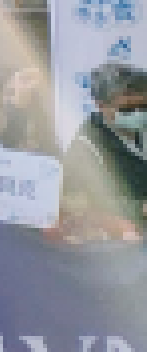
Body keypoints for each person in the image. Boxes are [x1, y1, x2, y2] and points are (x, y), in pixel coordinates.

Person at [61, 62, 147, 239]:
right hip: (124, 242)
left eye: (144, 106)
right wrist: (139, 207)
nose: (138, 113)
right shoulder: (86, 147)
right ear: (101, 106)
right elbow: (79, 205)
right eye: (127, 109)